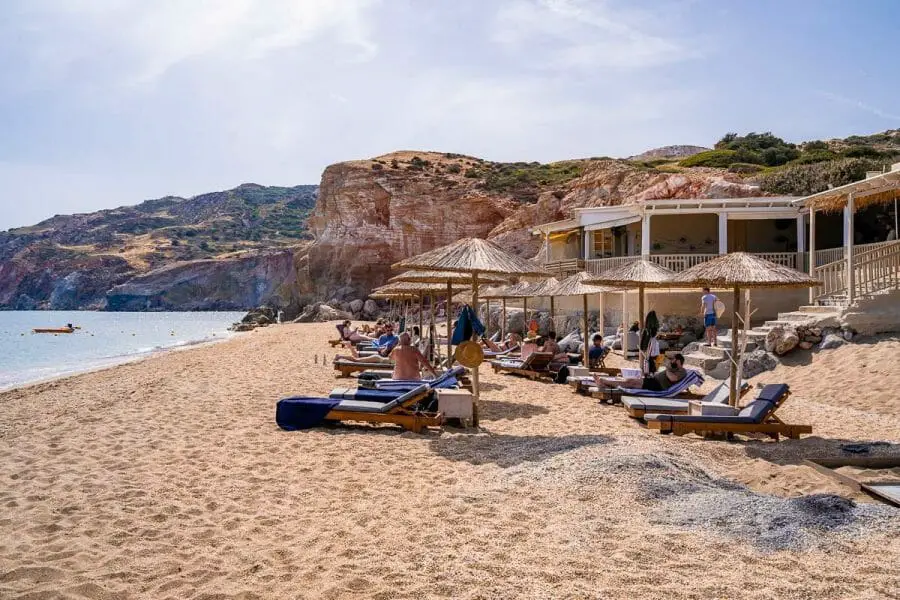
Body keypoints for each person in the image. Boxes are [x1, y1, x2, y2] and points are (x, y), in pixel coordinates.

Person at [593, 354, 688, 392]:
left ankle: (604, 381)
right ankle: (606, 383)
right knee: (630, 381)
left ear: (679, 361)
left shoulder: (682, 371)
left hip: (657, 385)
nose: (672, 362)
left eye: (674, 360)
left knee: (630, 382)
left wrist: (667, 369)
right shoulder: (672, 368)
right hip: (653, 380)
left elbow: (673, 379)